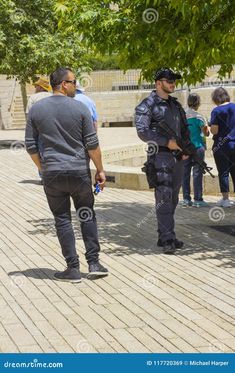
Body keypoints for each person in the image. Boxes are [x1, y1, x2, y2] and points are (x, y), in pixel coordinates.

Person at [25, 67, 108, 282]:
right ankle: (94, 262)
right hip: (79, 172)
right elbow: (92, 145)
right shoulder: (80, 109)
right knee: (86, 213)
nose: (76, 86)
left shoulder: (36, 109)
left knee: (62, 219)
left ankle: (72, 269)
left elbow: (30, 146)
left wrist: (43, 168)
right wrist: (100, 170)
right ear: (63, 84)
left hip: (53, 173)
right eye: (73, 82)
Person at [135, 67, 191, 254]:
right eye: (169, 81)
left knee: (173, 198)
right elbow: (143, 131)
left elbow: (184, 129)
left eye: (174, 80)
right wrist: (167, 142)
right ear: (158, 83)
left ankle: (165, 234)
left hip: (177, 157)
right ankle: (167, 238)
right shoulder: (147, 104)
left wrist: (186, 149)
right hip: (160, 156)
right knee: (164, 197)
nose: (173, 83)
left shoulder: (176, 105)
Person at [182, 93, 210, 207]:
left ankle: (186, 199)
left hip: (185, 148)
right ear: (198, 103)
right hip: (198, 147)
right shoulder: (199, 117)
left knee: (185, 173)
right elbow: (206, 133)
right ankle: (198, 199)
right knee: (197, 173)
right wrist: (207, 127)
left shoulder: (182, 116)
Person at [210, 87, 235, 207]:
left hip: (221, 146)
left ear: (216, 98)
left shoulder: (217, 111)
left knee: (223, 172)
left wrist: (209, 128)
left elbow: (214, 131)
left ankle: (226, 199)